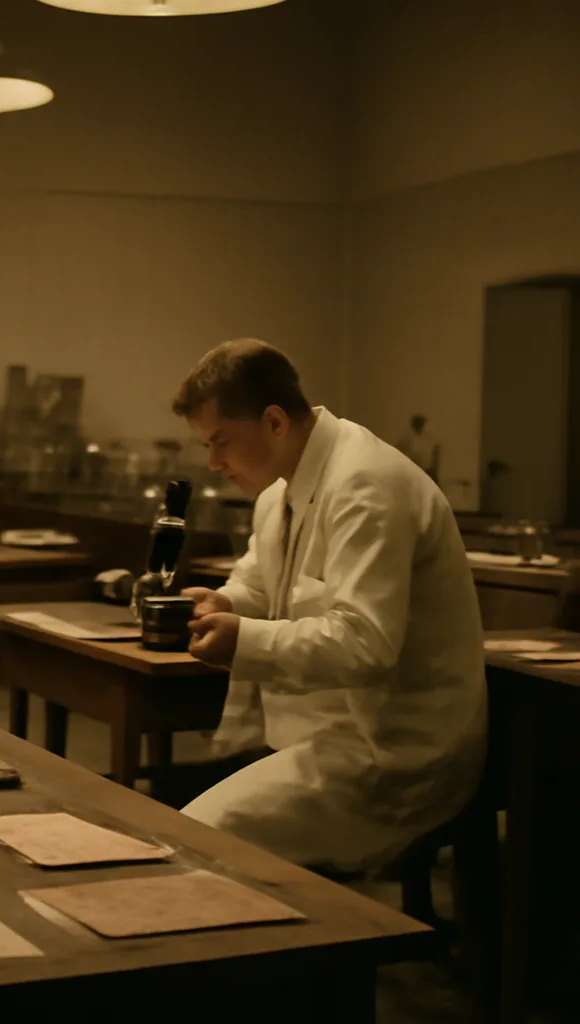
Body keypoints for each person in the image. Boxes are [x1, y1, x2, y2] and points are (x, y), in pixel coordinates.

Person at [174, 339, 486, 874]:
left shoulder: (367, 484)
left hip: (395, 751)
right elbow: (259, 587)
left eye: (221, 442)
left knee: (198, 841)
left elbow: (365, 643)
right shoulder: (279, 492)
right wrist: (220, 601)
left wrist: (242, 640)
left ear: (274, 422)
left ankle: (302, 948)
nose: (213, 462)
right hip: (323, 737)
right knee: (196, 833)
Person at [397, 414, 441, 483]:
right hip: (416, 469)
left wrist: (434, 467)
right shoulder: (409, 437)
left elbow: (437, 449)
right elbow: (400, 447)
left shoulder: (429, 436)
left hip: (428, 469)